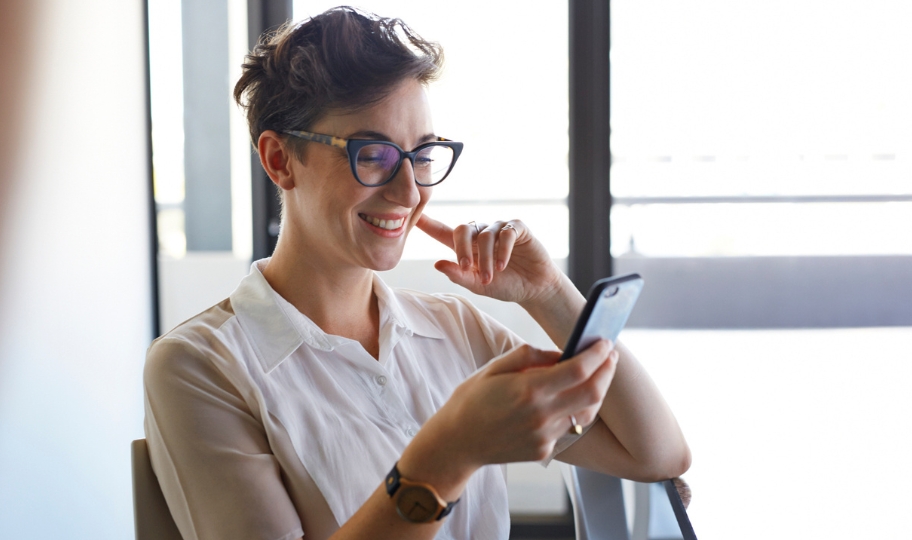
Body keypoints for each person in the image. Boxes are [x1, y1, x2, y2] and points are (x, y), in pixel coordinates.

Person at [143, 7, 690, 540]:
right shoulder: (199, 367)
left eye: (423, 154)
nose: (409, 193)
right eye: (374, 154)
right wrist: (450, 452)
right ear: (280, 160)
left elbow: (656, 452)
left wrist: (547, 292)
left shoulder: (455, 329)